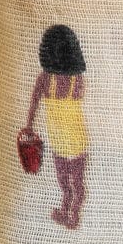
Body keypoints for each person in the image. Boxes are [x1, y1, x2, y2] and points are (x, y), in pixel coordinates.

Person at [22, 24, 89, 229]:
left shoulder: (45, 80)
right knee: (76, 180)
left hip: (59, 139)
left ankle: (70, 213)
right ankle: (71, 214)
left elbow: (34, 104)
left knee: (65, 180)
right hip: (77, 138)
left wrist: (29, 126)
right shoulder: (77, 80)